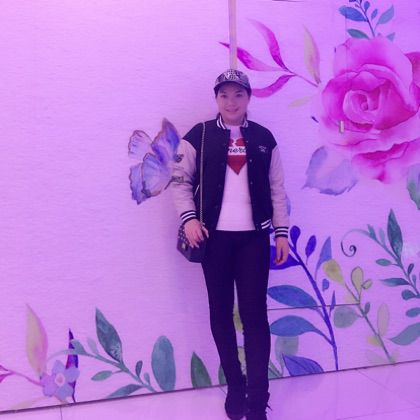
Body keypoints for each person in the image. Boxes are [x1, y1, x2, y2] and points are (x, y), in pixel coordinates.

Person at [172, 69, 289, 420]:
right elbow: (179, 180)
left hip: (254, 240)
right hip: (214, 241)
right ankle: (236, 387)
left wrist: (281, 232)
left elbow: (277, 189)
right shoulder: (199, 135)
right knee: (220, 313)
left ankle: (258, 399)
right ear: (216, 98)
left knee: (255, 317)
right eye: (224, 95)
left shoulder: (264, 138)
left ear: (249, 98)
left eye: (238, 94)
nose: (231, 102)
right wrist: (189, 219)